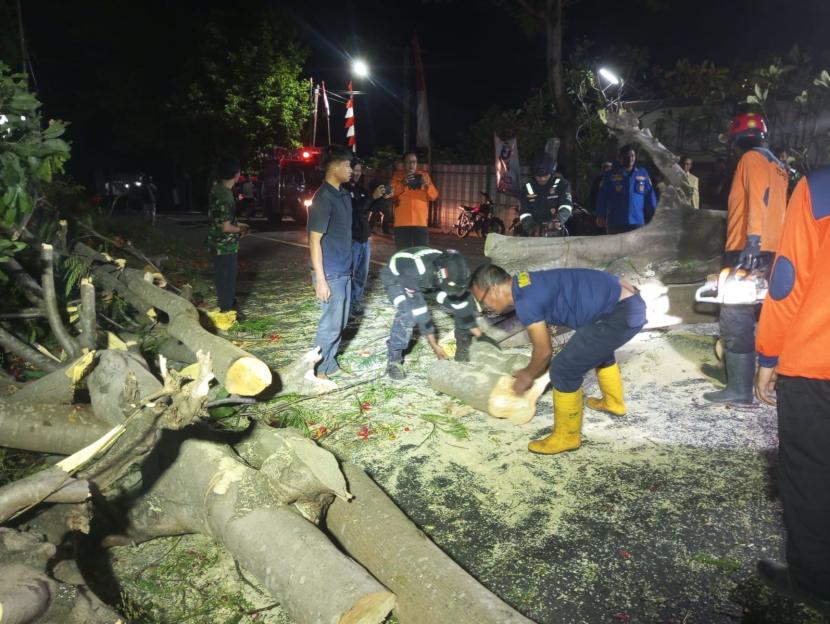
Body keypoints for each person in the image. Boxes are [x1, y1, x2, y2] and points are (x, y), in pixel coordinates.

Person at [753, 167, 830, 615]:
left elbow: (787, 279)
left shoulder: (819, 188)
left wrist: (769, 355)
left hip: (818, 362)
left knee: (812, 476)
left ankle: (816, 581)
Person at [470, 264, 646, 455]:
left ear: (494, 289)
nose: (485, 307)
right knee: (596, 348)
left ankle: (567, 437)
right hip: (626, 303)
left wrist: (528, 375)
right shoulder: (523, 281)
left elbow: (544, 352)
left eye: (482, 301)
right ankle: (614, 402)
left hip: (619, 314)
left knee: (563, 368)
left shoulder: (526, 301)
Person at [703, 112, 789, 406]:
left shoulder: (750, 159)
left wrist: (752, 241)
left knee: (735, 315)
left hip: (747, 248)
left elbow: (757, 199)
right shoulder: (778, 165)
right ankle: (773, 377)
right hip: (774, 250)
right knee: (766, 312)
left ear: (735, 138)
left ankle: (739, 388)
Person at [381, 247, 483, 380]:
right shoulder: (411, 270)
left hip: (430, 281)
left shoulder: (452, 266)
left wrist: (482, 336)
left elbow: (463, 307)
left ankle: (462, 348)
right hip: (397, 281)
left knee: (465, 301)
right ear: (438, 274)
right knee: (409, 312)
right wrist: (434, 345)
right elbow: (421, 312)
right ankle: (394, 359)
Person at [308, 145, 354, 380]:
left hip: (344, 270)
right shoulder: (324, 198)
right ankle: (315, 372)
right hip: (331, 273)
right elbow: (314, 241)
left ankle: (330, 364)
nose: (351, 169)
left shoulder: (343, 195)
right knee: (330, 324)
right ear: (333, 166)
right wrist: (321, 280)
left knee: (341, 322)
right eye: (347, 165)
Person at [205, 157, 249, 327]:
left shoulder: (216, 189)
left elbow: (218, 219)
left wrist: (237, 225)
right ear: (236, 174)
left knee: (223, 278)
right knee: (227, 279)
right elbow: (225, 227)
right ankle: (227, 314)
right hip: (225, 245)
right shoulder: (225, 196)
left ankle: (228, 306)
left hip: (217, 242)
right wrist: (240, 229)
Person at [344, 158, 389, 317]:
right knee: (349, 275)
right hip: (351, 239)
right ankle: (346, 306)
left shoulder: (362, 189)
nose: (357, 173)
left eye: (359, 170)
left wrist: (383, 197)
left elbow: (372, 206)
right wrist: (372, 196)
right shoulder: (343, 189)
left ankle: (355, 303)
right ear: (348, 170)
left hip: (364, 240)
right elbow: (357, 208)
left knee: (362, 275)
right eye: (354, 170)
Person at [596, 144, 657, 234]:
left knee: (635, 248)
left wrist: (655, 215)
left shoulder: (642, 173)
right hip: (616, 222)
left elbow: (649, 196)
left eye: (632, 156)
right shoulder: (610, 175)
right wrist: (600, 215)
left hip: (637, 221)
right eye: (626, 156)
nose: (630, 158)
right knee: (616, 247)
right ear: (620, 158)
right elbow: (603, 196)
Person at [390, 151, 439, 249]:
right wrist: (403, 183)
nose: (412, 165)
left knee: (421, 254)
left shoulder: (424, 176)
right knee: (403, 255)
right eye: (408, 162)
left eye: (414, 162)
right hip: (402, 223)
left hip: (420, 223)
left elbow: (434, 196)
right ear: (403, 164)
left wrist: (427, 185)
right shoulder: (397, 176)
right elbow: (390, 194)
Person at [517, 152, 573, 236]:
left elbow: (566, 206)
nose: (542, 179)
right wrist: (532, 228)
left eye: (545, 175)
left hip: (556, 234)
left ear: (551, 172)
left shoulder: (561, 184)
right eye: (538, 176)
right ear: (533, 174)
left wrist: (557, 220)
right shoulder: (527, 188)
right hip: (534, 235)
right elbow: (524, 212)